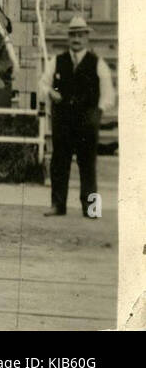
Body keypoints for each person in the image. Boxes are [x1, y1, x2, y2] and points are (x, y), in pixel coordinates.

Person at [38, 15, 116, 218]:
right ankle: (58, 205)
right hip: (62, 119)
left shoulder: (97, 63)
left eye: (80, 35)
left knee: (88, 164)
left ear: (86, 38)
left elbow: (108, 94)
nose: (76, 39)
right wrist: (50, 92)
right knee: (59, 162)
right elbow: (43, 83)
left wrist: (97, 112)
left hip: (86, 121)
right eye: (73, 35)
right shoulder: (57, 61)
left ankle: (90, 208)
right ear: (68, 37)